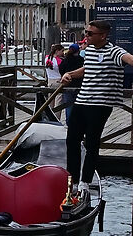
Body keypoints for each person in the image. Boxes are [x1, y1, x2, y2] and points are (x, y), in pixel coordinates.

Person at [56, 19, 131, 185]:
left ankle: (86, 182)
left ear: (103, 36)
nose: (86, 36)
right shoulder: (89, 51)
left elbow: (130, 59)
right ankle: (73, 182)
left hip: (100, 104)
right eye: (86, 32)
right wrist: (70, 74)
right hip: (82, 100)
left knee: (91, 142)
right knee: (72, 140)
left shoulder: (115, 52)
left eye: (90, 33)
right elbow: (87, 68)